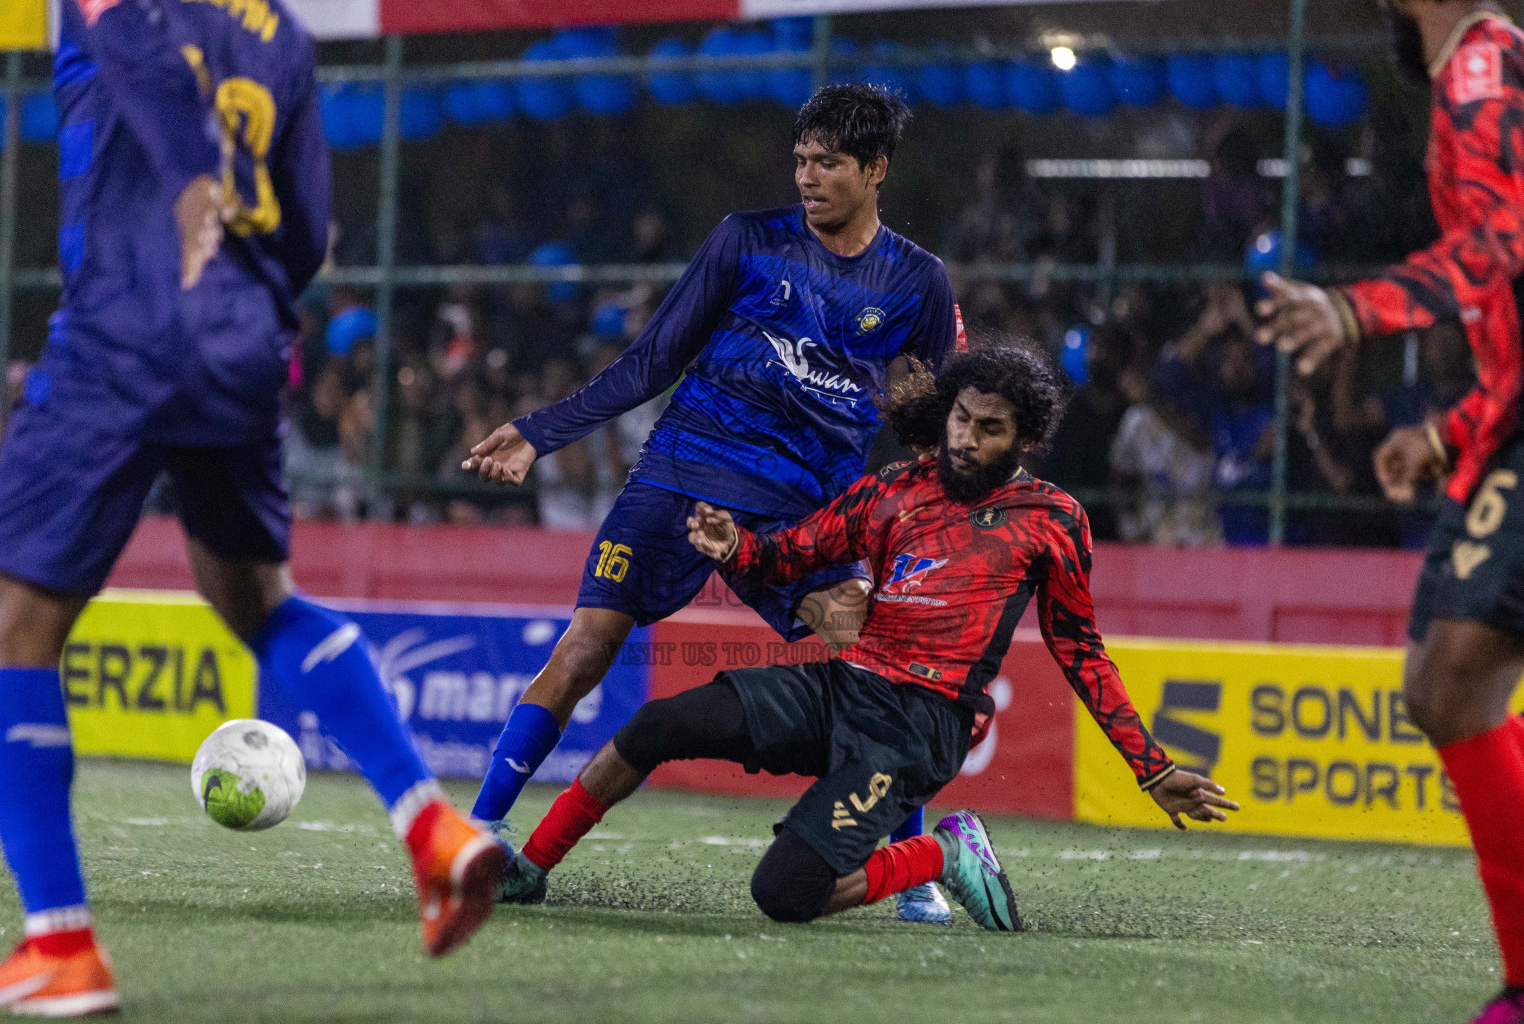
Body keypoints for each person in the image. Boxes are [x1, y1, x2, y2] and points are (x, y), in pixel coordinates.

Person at [0, 0, 502, 1013]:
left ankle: (60, 945)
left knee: (11, 627)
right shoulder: (281, 32)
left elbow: (139, 60)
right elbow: (309, 230)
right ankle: (431, 825)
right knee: (258, 597)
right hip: (243, 341)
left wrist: (189, 179)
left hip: (125, 328)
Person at [490, 344, 1237, 929]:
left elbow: (1080, 649)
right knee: (655, 724)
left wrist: (1150, 767)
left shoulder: (1053, 521)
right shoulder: (893, 490)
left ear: (1027, 439)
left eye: (989, 428)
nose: (965, 438)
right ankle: (530, 866)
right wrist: (732, 547)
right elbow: (791, 555)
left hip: (919, 726)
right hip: (843, 685)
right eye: (960, 418)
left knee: (784, 894)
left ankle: (941, 853)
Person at [463, 85, 964, 923]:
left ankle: (906, 868)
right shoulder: (746, 239)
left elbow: (929, 419)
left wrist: (934, 481)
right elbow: (653, 359)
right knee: (587, 647)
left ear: (875, 170)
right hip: (680, 475)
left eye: (829, 164)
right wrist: (542, 432)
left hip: (804, 509)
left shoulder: (917, 281)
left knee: (879, 656)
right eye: (801, 160)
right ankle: (480, 827)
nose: (808, 178)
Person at [1256, 3, 1524, 1020]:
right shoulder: (1473, 73)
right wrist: (1452, 432)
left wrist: (1353, 308)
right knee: (1439, 687)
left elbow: (1505, 238)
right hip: (1501, 428)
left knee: (1455, 684)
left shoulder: (1486, 71)